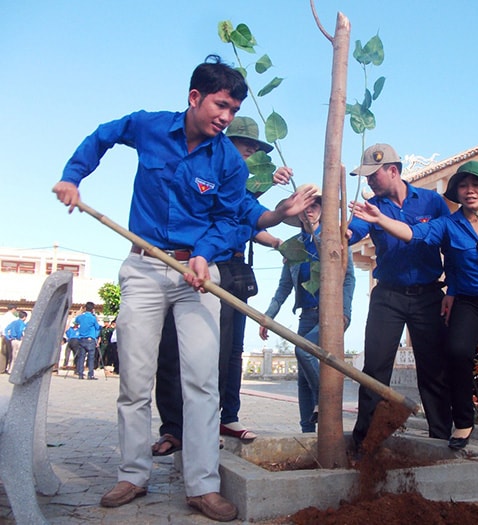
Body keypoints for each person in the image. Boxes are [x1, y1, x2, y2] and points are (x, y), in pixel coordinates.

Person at [52, 55, 315, 521]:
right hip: (143, 269)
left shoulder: (227, 163)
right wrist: (74, 177)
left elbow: (237, 219)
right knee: (134, 380)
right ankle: (132, 475)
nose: (226, 117)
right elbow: (102, 136)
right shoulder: (149, 127)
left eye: (233, 110)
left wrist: (268, 219)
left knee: (201, 382)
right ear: (194, 98)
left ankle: (202, 485)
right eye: (221, 106)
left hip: (197, 274)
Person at [350, 160, 478, 451]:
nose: (470, 191)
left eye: (477, 186)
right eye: (464, 186)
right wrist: (370, 221)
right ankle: (372, 442)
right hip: (426, 299)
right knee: (444, 355)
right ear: (457, 192)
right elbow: (412, 235)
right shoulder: (442, 222)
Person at [152, 116, 286, 457]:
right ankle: (175, 427)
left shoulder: (244, 180)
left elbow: (250, 217)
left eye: (256, 149)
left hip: (233, 269)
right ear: (227, 141)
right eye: (246, 146)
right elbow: (231, 204)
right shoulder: (204, 170)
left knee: (230, 350)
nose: (251, 153)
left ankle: (226, 416)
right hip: (195, 265)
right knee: (175, 348)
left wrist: (278, 241)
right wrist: (268, 182)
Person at [345, 143, 453, 450]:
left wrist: (453, 290)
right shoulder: (371, 207)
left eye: (372, 175)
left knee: (433, 369)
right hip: (388, 298)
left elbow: (451, 246)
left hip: (429, 296)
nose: (368, 181)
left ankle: (441, 440)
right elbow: (353, 232)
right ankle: (363, 443)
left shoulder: (432, 202)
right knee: (375, 370)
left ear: (393, 170)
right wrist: (340, 234)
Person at [259, 185, 355, 432]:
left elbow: (350, 277)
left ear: (322, 210)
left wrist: (344, 312)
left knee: (304, 352)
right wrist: (267, 315)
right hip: (306, 315)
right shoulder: (293, 247)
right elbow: (283, 288)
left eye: (314, 206)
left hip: (332, 315)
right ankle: (307, 431)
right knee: (303, 377)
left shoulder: (336, 240)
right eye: (305, 207)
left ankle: (325, 401)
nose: (309, 211)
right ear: (298, 212)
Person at [74, 302, 102, 380]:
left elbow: (76, 321)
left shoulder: (80, 317)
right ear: (92, 309)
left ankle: (80, 373)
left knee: (81, 357)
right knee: (91, 357)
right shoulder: (93, 318)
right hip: (90, 338)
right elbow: (97, 327)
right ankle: (90, 374)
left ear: (85, 308)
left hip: (81, 338)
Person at [0, 304, 18, 373]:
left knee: (3, 353)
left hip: (3, 335)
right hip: (10, 336)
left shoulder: (3, 316)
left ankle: (1, 369)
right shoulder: (13, 318)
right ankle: (10, 369)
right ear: (13, 309)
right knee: (11, 353)